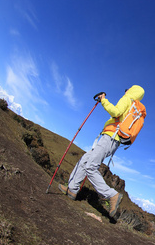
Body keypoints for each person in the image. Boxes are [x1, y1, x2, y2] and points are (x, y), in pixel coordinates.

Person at [58, 85, 145, 218]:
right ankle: (72, 189)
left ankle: (112, 195)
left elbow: (115, 112)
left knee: (90, 166)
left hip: (110, 138)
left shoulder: (127, 99)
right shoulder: (135, 108)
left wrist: (103, 100)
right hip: (113, 140)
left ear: (132, 91)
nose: (125, 90)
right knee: (85, 160)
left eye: (127, 88)